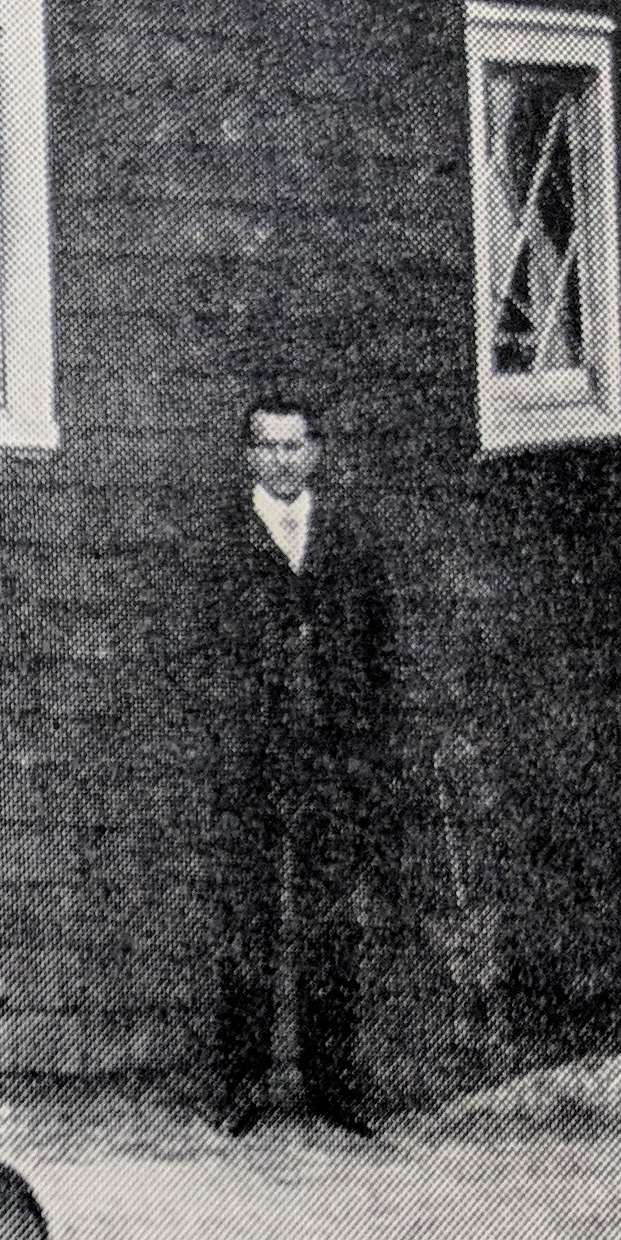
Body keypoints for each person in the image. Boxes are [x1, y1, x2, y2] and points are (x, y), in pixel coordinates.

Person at [201, 392, 396, 1135]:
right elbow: (199, 656)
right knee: (247, 921)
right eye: (268, 446)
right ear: (249, 454)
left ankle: (333, 1081)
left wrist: (361, 749)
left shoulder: (348, 540)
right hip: (251, 764)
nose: (282, 459)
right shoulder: (221, 542)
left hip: (329, 763)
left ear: (316, 452)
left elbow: (378, 656)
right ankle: (239, 1087)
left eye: (295, 445)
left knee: (329, 922)